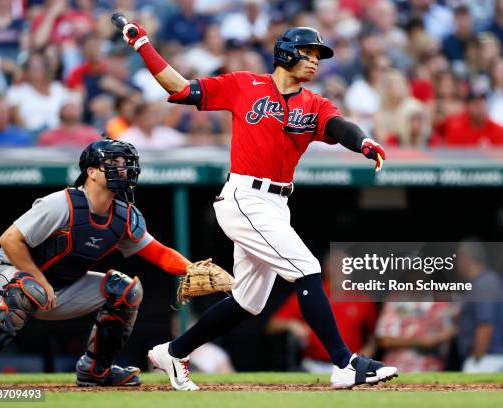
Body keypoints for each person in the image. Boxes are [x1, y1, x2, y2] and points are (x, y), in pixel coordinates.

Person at [121, 21, 397, 390]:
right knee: (307, 268)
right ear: (285, 53)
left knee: (248, 301)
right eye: (308, 53)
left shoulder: (314, 102)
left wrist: (363, 142)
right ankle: (345, 362)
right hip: (245, 196)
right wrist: (143, 45)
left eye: (319, 56)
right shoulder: (243, 84)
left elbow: (338, 126)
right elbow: (181, 88)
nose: (315, 62)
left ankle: (174, 351)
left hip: (277, 202)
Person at [0, 139, 211, 388]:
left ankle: (96, 371)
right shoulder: (61, 203)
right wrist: (37, 277)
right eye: (114, 163)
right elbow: (10, 240)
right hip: (6, 274)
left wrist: (192, 269)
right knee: (29, 288)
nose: (123, 169)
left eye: (125, 164)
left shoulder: (124, 214)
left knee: (126, 290)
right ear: (92, 172)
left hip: (57, 289)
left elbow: (159, 254)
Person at [266, 254, 378, 373]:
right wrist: (292, 324)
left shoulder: (361, 298)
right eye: (336, 266)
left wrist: (365, 355)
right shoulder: (311, 293)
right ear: (326, 268)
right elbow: (272, 324)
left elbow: (375, 335)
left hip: (351, 365)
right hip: (314, 365)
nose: (340, 270)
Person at [455, 240, 503, 373]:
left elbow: (485, 325)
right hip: (488, 358)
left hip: (486, 360)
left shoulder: (484, 284)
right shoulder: (485, 282)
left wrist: (476, 359)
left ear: (465, 259)